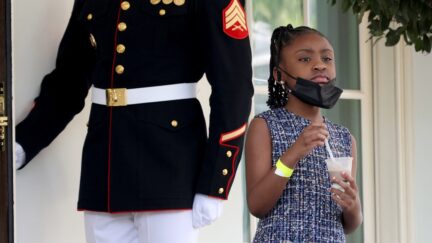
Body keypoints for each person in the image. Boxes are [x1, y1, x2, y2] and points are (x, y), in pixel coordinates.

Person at [15, 0, 253, 242]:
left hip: (170, 168)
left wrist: (215, 183)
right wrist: (23, 143)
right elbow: (70, 78)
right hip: (104, 168)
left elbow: (234, 88)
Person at [245, 24, 362, 242]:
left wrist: (352, 204)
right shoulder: (265, 126)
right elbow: (257, 205)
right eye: (305, 59)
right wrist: (294, 153)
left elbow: (350, 224)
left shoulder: (344, 138)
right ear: (279, 74)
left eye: (327, 59)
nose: (319, 65)